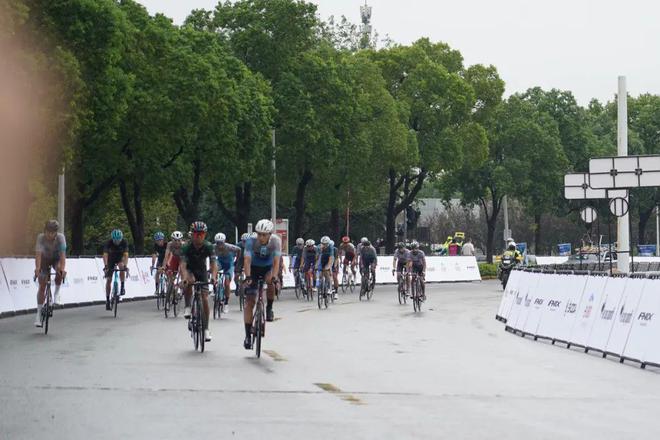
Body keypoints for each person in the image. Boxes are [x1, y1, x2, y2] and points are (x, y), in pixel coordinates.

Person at [242, 219, 282, 349]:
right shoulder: (251, 241)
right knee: (249, 302)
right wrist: (248, 277)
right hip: (253, 269)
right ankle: (248, 335)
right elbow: (247, 260)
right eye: (259, 234)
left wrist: (275, 277)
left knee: (270, 280)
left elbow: (276, 262)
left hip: (267, 268)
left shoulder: (276, 241)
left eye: (264, 235)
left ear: (270, 234)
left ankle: (269, 307)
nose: (261, 237)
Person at [180, 221, 217, 342]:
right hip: (190, 270)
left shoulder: (209, 246)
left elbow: (213, 264)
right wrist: (184, 278)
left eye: (201, 234)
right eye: (196, 234)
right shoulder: (186, 247)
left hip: (202, 271)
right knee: (190, 281)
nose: (198, 236)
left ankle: (206, 329)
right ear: (192, 235)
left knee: (205, 298)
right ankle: (187, 306)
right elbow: (183, 266)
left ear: (205, 235)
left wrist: (214, 277)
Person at [33, 220, 66, 326]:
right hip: (44, 260)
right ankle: (38, 314)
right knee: (42, 285)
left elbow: (62, 256)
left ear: (56, 233)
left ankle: (56, 294)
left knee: (60, 270)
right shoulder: (40, 238)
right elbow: (38, 254)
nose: (50, 235)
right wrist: (37, 268)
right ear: (45, 231)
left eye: (52, 232)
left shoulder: (61, 238)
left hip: (56, 259)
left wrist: (62, 269)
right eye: (48, 232)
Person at [214, 232, 242, 313]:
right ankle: (215, 288)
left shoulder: (229, 247)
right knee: (214, 269)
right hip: (220, 263)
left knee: (226, 283)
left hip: (229, 264)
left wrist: (236, 260)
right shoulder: (213, 247)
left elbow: (239, 250)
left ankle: (226, 303)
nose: (219, 245)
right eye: (217, 243)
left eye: (221, 243)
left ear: (224, 241)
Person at [103, 229, 129, 311]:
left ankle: (122, 286)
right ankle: (107, 300)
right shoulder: (109, 243)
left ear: (121, 238)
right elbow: (105, 256)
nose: (117, 241)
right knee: (109, 280)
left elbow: (126, 256)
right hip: (110, 259)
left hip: (119, 259)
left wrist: (125, 265)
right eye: (115, 240)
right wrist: (106, 266)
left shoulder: (124, 242)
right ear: (112, 239)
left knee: (121, 267)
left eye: (119, 240)